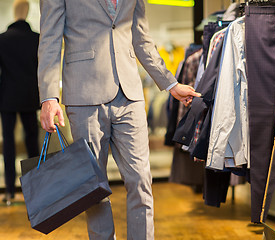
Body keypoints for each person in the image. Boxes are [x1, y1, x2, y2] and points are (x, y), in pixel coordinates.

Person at [38, 0, 201, 239]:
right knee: (94, 188)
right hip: (85, 96)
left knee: (141, 180)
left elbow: (142, 39)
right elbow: (49, 40)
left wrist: (171, 84)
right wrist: (49, 97)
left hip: (130, 95)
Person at [0, 0, 40, 203]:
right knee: (32, 144)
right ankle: (36, 190)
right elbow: (43, 70)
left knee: (8, 145)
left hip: (7, 98)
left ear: (14, 11)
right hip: (30, 97)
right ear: (27, 12)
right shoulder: (36, 39)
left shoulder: (0, 40)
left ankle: (9, 190)